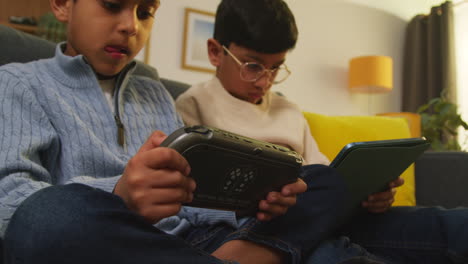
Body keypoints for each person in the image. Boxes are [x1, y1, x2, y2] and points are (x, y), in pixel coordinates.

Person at [0, 0, 351, 263]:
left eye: (145, 11)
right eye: (112, 4)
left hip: (199, 240)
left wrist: (251, 204)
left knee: (323, 180)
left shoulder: (155, 93)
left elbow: (191, 199)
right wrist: (119, 193)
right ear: (63, 5)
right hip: (114, 241)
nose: (130, 26)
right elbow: (10, 205)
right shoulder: (18, 82)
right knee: (44, 215)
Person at [175, 0, 468, 263]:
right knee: (327, 246)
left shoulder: (288, 110)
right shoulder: (191, 105)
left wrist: (368, 195)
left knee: (448, 224)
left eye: (276, 68)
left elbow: (323, 175)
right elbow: (190, 201)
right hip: (259, 226)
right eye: (253, 66)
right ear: (215, 52)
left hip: (324, 214)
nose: (264, 81)